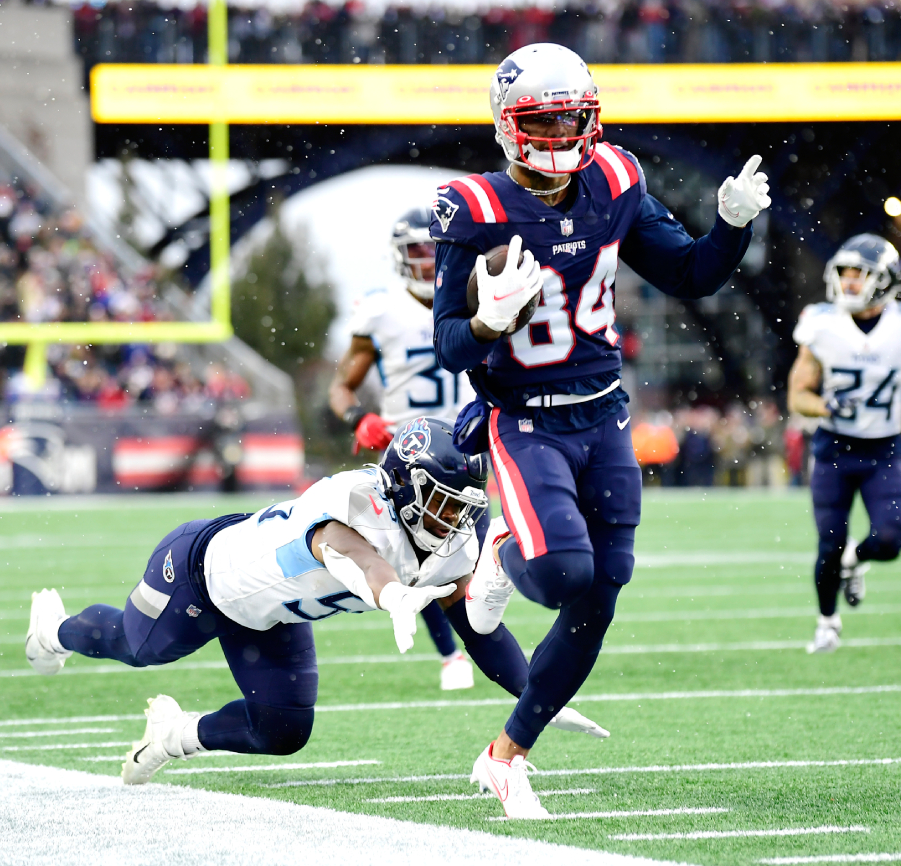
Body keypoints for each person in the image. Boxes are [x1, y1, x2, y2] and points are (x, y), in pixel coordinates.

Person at [429, 43, 769, 817]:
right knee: (559, 578)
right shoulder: (472, 208)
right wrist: (486, 320)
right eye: (543, 119)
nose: (560, 133)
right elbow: (448, 344)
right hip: (521, 420)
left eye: (572, 117)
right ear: (508, 125)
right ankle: (502, 553)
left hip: (604, 413)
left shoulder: (614, 179)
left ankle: (507, 756)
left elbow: (691, 274)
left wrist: (730, 226)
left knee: (601, 597)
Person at [24, 418, 607, 785]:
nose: (456, 518)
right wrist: (391, 592)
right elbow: (337, 545)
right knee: (136, 646)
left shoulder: (447, 543)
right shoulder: (352, 496)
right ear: (404, 486)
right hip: (203, 575)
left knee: (283, 730)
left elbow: (481, 635)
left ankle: (174, 735)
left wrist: (539, 697)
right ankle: (52, 632)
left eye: (464, 506)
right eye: (444, 502)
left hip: (271, 614)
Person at [329, 207, 477, 691]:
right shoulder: (381, 309)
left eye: (434, 247)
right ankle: (452, 654)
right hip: (408, 449)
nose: (429, 259)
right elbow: (340, 388)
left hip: (469, 438)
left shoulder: (474, 295)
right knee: (419, 558)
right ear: (400, 256)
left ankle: (476, 635)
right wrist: (360, 418)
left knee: (474, 547)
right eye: (418, 249)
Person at [787, 234, 901, 654]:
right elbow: (797, 396)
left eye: (861, 275)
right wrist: (825, 405)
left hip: (887, 449)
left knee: (890, 539)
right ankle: (827, 622)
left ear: (885, 280)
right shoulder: (822, 322)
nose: (850, 283)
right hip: (835, 448)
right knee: (828, 543)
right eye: (845, 274)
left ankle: (857, 560)